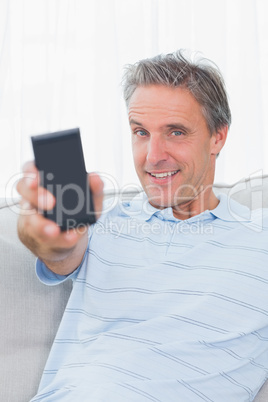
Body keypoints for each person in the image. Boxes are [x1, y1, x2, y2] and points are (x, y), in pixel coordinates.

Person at [17, 50, 268, 401]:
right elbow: (62, 251)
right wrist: (47, 237)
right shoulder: (101, 222)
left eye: (176, 132)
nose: (152, 156)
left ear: (218, 137)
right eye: (140, 132)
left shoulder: (260, 236)